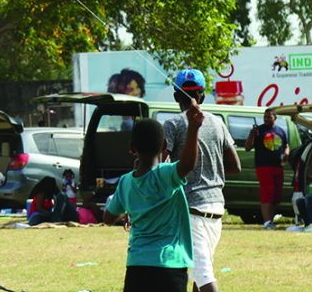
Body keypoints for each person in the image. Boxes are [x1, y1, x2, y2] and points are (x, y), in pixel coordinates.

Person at [105, 104, 203, 292]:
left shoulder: (125, 182)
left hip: (137, 266)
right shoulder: (166, 174)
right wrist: (193, 128)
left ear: (132, 148)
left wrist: (129, 210)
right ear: (164, 145)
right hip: (170, 265)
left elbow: (108, 218)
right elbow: (188, 164)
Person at [163, 69, 241, 292]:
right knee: (199, 277)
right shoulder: (217, 122)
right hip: (216, 208)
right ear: (203, 96)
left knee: (205, 279)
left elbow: (160, 166)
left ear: (176, 96)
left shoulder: (172, 124)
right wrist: (211, 171)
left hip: (191, 212)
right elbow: (236, 166)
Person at [244, 109, 289, 229]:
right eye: (265, 117)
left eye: (269, 117)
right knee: (267, 194)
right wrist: (251, 135)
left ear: (275, 118)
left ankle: (271, 221)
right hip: (264, 166)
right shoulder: (258, 130)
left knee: (276, 195)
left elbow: (286, 146)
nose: (266, 119)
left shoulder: (280, 131)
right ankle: (267, 222)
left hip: (278, 167)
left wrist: (286, 153)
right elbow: (247, 147)